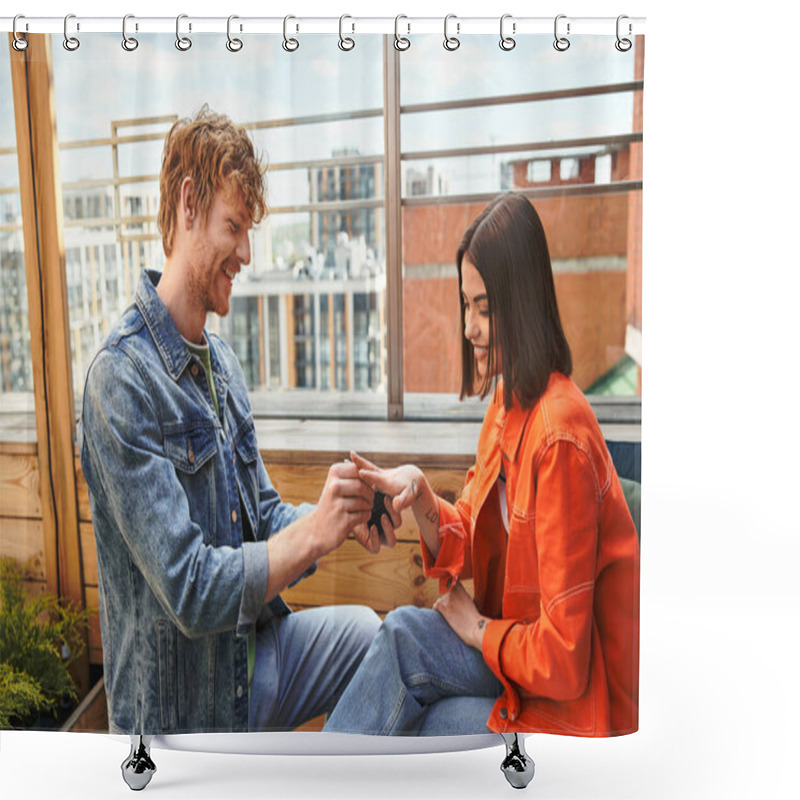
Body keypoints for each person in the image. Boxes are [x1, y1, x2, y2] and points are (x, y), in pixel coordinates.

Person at [79, 107, 395, 735]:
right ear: (188, 206)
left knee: (374, 636)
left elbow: (263, 517)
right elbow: (191, 590)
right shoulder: (121, 382)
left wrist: (335, 513)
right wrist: (312, 536)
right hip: (188, 714)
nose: (247, 253)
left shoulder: (220, 362)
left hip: (252, 662)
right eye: (235, 227)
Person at [324, 192, 640, 737]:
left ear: (523, 304)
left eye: (485, 308)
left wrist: (477, 629)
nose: (469, 327)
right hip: (515, 665)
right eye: (465, 305)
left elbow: (565, 662)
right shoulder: (507, 404)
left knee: (424, 714)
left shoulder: (559, 435)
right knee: (403, 639)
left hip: (572, 710)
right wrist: (420, 494)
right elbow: (468, 531)